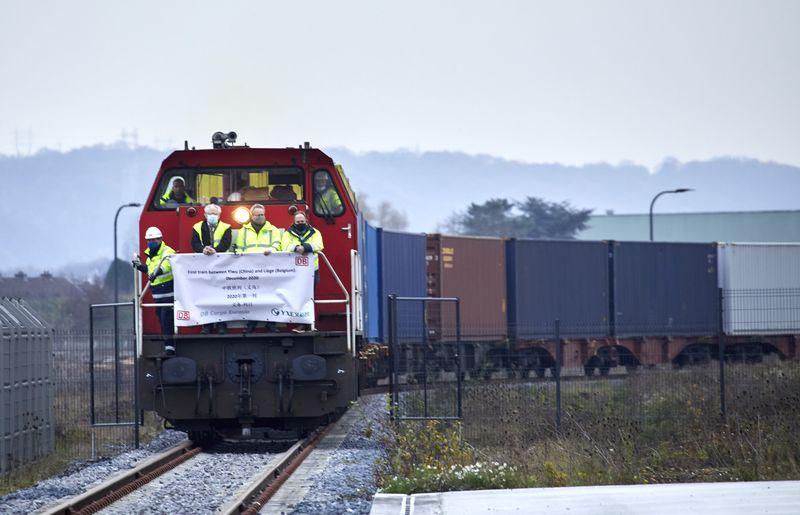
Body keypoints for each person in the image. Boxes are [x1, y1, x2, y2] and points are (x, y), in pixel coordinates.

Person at [235, 204, 282, 332]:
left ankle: (271, 323)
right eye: (257, 215)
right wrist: (239, 254)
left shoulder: (273, 230)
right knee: (252, 297)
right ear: (252, 216)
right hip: (250, 269)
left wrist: (271, 250)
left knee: (270, 296)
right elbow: (239, 247)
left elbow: (277, 244)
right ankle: (251, 323)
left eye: (262, 214)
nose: (260, 217)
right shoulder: (243, 231)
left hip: (268, 267)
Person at [133, 227, 176, 355]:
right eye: (149, 240)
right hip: (157, 295)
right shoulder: (150, 255)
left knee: (166, 319)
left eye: (153, 239)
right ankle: (167, 346)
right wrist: (140, 266)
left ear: (160, 239)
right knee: (162, 320)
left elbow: (167, 265)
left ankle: (170, 348)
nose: (151, 242)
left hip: (168, 292)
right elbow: (151, 271)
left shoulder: (167, 251)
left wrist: (157, 272)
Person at [191, 203, 232, 334]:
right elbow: (195, 243)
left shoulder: (226, 227)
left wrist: (215, 250)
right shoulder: (197, 227)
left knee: (221, 296)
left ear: (219, 215)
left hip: (221, 266)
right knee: (205, 296)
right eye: (210, 213)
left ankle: (221, 325)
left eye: (215, 213)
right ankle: (207, 326)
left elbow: (226, 243)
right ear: (204, 215)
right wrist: (203, 250)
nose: (212, 216)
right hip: (204, 266)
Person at [281, 209, 324, 332]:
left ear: (306, 220)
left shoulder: (315, 232)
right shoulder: (287, 234)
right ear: (294, 221)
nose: (300, 223)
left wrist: (304, 247)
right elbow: (284, 247)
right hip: (295, 271)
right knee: (298, 297)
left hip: (312, 271)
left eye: (302, 221)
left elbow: (319, 245)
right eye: (298, 221)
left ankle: (311, 325)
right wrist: (296, 248)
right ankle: (301, 325)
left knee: (310, 297)